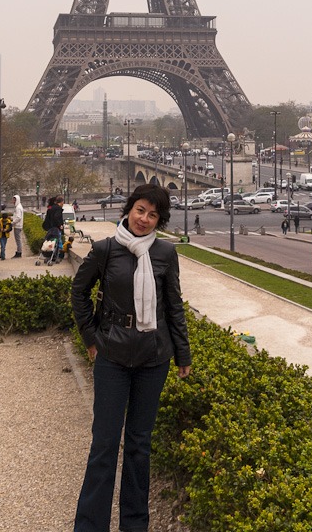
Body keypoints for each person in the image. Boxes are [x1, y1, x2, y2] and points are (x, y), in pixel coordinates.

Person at [72, 185, 191, 532]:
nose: (144, 219)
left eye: (153, 215)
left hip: (153, 358)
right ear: (129, 209)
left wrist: (183, 353)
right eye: (140, 210)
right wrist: (91, 338)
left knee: (140, 445)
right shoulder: (105, 250)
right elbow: (79, 293)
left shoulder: (165, 253)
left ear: (159, 220)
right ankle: (90, 525)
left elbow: (174, 306)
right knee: (105, 444)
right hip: (112, 356)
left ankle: (135, 525)